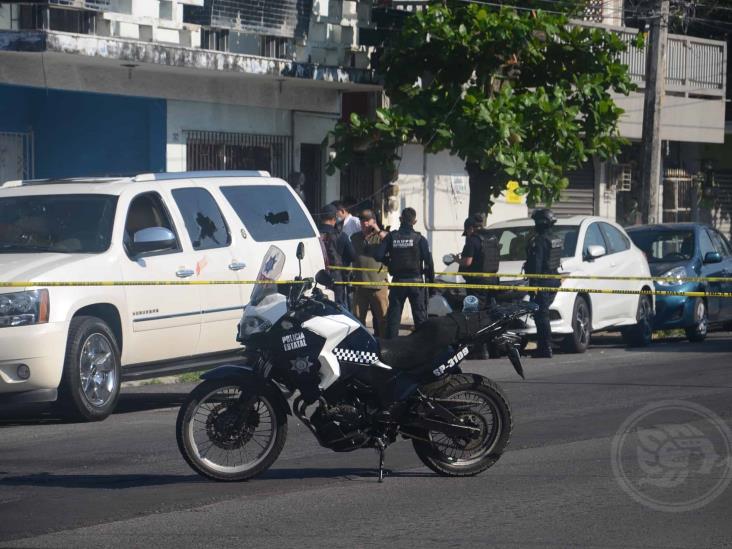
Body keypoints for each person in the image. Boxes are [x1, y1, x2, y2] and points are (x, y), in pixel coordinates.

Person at [375, 207, 434, 339]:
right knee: (420, 318)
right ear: (415, 221)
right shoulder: (420, 239)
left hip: (398, 282)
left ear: (401, 219)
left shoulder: (392, 237)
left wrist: (389, 262)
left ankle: (391, 348)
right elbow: (429, 263)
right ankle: (423, 347)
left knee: (394, 318)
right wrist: (432, 285)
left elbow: (378, 255)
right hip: (416, 283)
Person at [458, 213, 499, 359]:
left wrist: (458, 260)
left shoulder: (473, 240)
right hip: (493, 281)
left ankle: (481, 350)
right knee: (490, 313)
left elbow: (467, 262)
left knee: (476, 315)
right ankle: (494, 348)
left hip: (477, 282)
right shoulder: (493, 238)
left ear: (470, 228)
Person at [524, 208, 563, 358]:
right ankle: (545, 346)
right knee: (543, 314)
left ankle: (545, 348)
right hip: (553, 280)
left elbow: (537, 265)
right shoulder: (555, 238)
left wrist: (533, 285)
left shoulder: (540, 240)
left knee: (542, 315)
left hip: (543, 281)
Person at [350, 209, 389, 337]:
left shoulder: (381, 236)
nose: (364, 223)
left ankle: (385, 344)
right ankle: (361, 344)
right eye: (362, 221)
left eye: (367, 220)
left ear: (373, 221)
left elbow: (389, 241)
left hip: (378, 285)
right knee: (357, 319)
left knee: (383, 318)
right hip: (360, 285)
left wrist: (376, 228)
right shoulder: (355, 237)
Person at [318, 204, 355, 309]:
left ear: (321, 218)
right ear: (334, 219)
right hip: (337, 278)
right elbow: (352, 256)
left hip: (317, 277)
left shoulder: (314, 235)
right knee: (338, 309)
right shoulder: (342, 236)